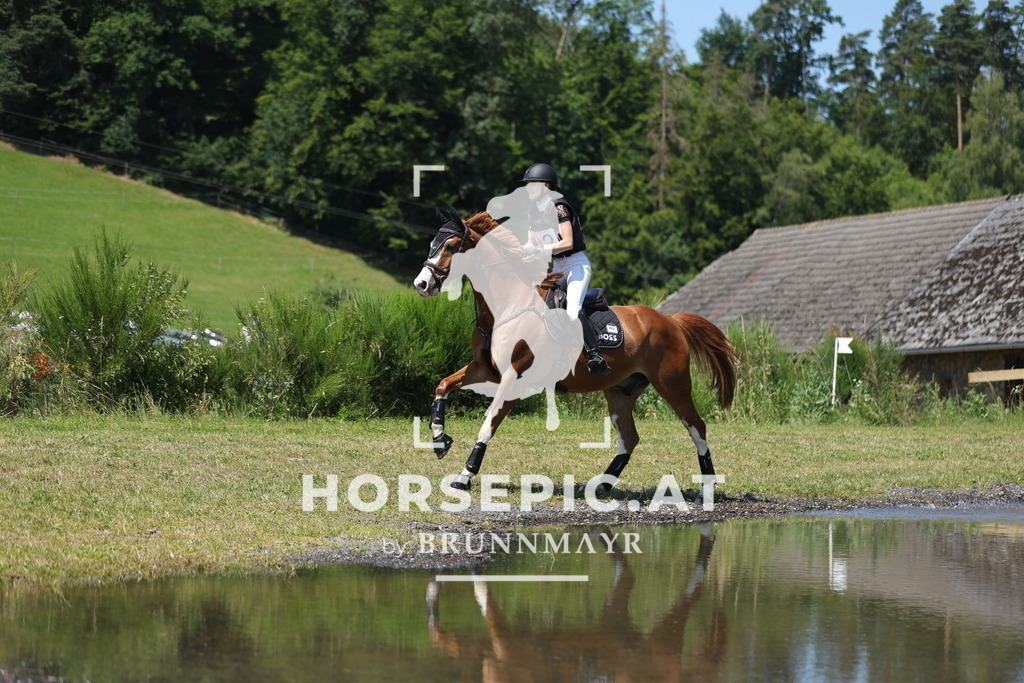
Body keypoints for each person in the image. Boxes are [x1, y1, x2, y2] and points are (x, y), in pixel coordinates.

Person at [519, 163, 611, 375]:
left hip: (575, 265)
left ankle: (595, 355)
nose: (529, 188)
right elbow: (529, 243)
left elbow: (567, 242)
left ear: (547, 185)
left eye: (532, 184)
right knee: (540, 306)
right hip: (557, 266)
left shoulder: (559, 207)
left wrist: (539, 249)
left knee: (572, 311)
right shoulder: (533, 212)